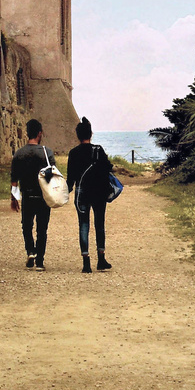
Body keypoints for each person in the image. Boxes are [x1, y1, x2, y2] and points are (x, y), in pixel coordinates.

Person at [66, 117, 114, 273]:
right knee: (99, 224)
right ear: (91, 134)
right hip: (99, 191)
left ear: (78, 136)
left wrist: (65, 191)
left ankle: (86, 262)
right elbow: (108, 167)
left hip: (82, 192)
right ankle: (101, 259)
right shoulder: (98, 150)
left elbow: (71, 177)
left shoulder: (73, 153)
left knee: (83, 225)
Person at [9, 119, 54, 270]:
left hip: (27, 195)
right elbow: (53, 175)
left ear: (27, 133)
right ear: (39, 133)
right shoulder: (47, 153)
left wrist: (14, 198)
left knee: (26, 226)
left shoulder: (19, 154)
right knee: (42, 229)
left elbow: (14, 180)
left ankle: (30, 251)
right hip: (43, 196)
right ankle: (40, 261)